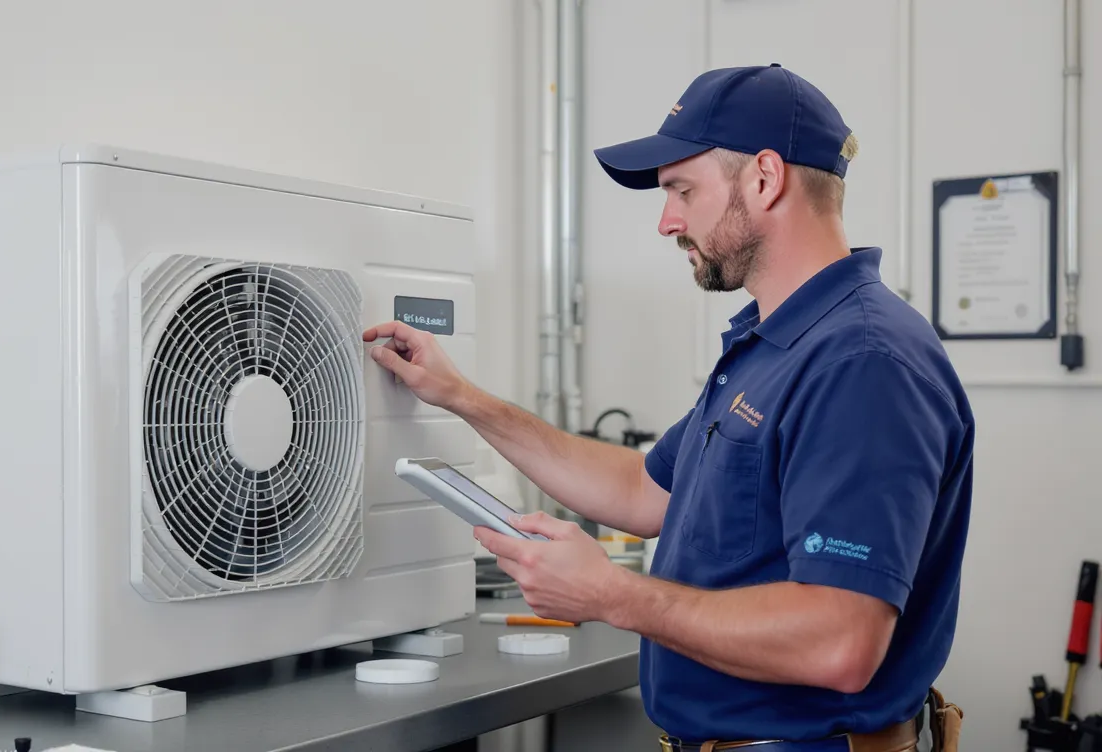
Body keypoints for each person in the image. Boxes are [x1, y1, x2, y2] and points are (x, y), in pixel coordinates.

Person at [362, 63, 970, 750]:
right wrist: (461, 397)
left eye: (682, 189)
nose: (665, 221)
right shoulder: (773, 345)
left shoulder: (862, 362)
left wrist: (613, 597)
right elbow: (640, 487)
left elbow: (841, 642)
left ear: (765, 179)